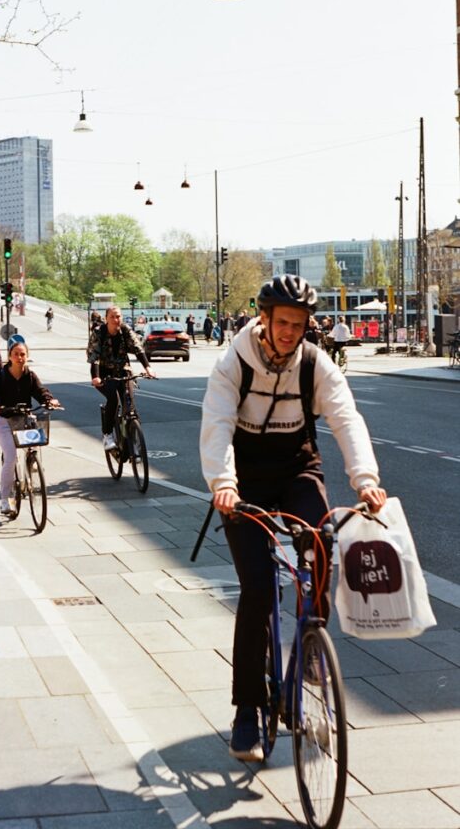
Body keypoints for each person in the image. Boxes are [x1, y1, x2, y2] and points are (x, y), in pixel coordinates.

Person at [199, 275, 386, 763]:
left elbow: (346, 418)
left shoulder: (314, 363)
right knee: (257, 591)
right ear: (263, 319)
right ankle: (246, 713)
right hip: (245, 480)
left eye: (298, 324)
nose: (289, 332)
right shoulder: (233, 363)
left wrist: (365, 479)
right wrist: (223, 483)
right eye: (282, 322)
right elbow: (217, 424)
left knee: (323, 542)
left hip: (297, 466)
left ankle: (310, 645)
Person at [0, 337, 60, 516]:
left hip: (24, 419)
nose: (20, 357)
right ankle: (4, 499)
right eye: (16, 354)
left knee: (35, 436)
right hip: (5, 421)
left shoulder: (30, 375)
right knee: (10, 458)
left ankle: (31, 461)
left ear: (27, 357)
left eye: (23, 354)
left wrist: (49, 400)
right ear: (9, 356)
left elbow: (41, 392)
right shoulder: (1, 377)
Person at [87, 305, 156, 450]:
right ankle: (107, 435)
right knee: (113, 400)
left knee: (129, 404)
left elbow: (137, 348)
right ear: (106, 319)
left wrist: (148, 367)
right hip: (104, 373)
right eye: (112, 317)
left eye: (118, 316)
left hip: (123, 371)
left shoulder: (125, 331)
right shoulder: (99, 333)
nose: (115, 319)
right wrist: (96, 377)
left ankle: (133, 438)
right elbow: (95, 357)